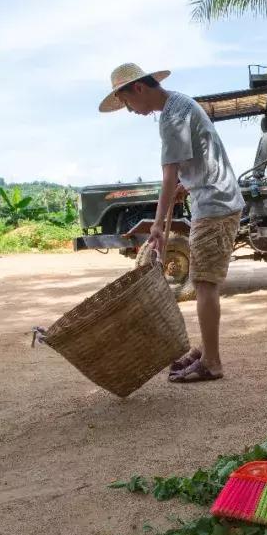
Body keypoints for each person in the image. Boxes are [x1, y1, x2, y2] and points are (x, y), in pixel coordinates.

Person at [99, 63, 244, 383]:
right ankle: (206, 350)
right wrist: (186, 186)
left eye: (125, 102)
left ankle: (212, 362)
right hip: (214, 198)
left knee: (204, 283)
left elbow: (168, 174)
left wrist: (156, 225)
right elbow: (193, 164)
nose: (129, 110)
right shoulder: (180, 104)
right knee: (204, 280)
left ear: (138, 89)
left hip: (215, 204)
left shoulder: (172, 116)